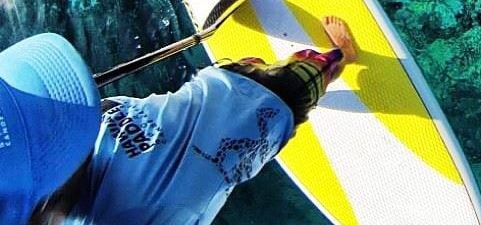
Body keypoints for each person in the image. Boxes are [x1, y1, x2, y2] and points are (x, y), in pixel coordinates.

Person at [0, 16, 356, 225]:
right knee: (289, 91)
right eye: (41, 133)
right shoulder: (144, 204)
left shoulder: (46, 187)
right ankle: (339, 58)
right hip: (235, 123)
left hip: (186, 117)